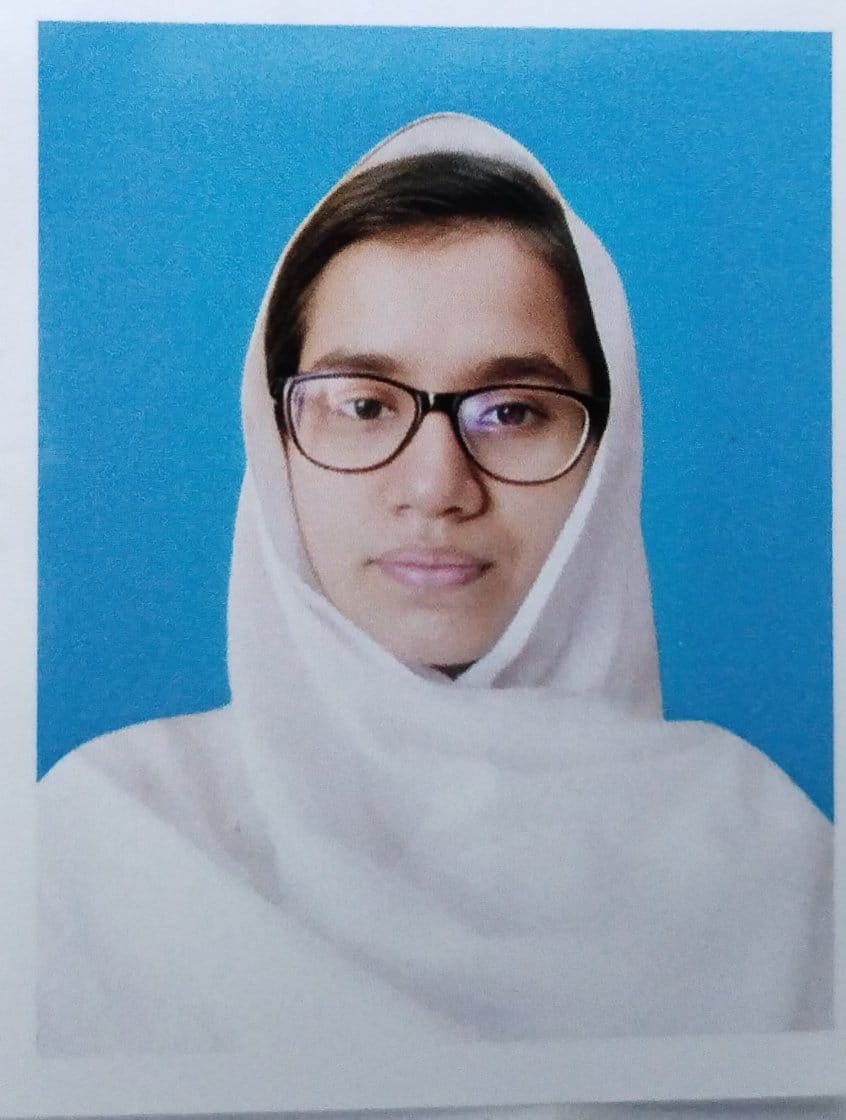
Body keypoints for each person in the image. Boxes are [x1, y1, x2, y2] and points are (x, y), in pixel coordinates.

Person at [38, 113, 832, 1073]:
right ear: (274, 439)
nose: (436, 487)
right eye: (364, 404)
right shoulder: (112, 836)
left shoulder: (764, 856)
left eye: (513, 411)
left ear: (608, 452)